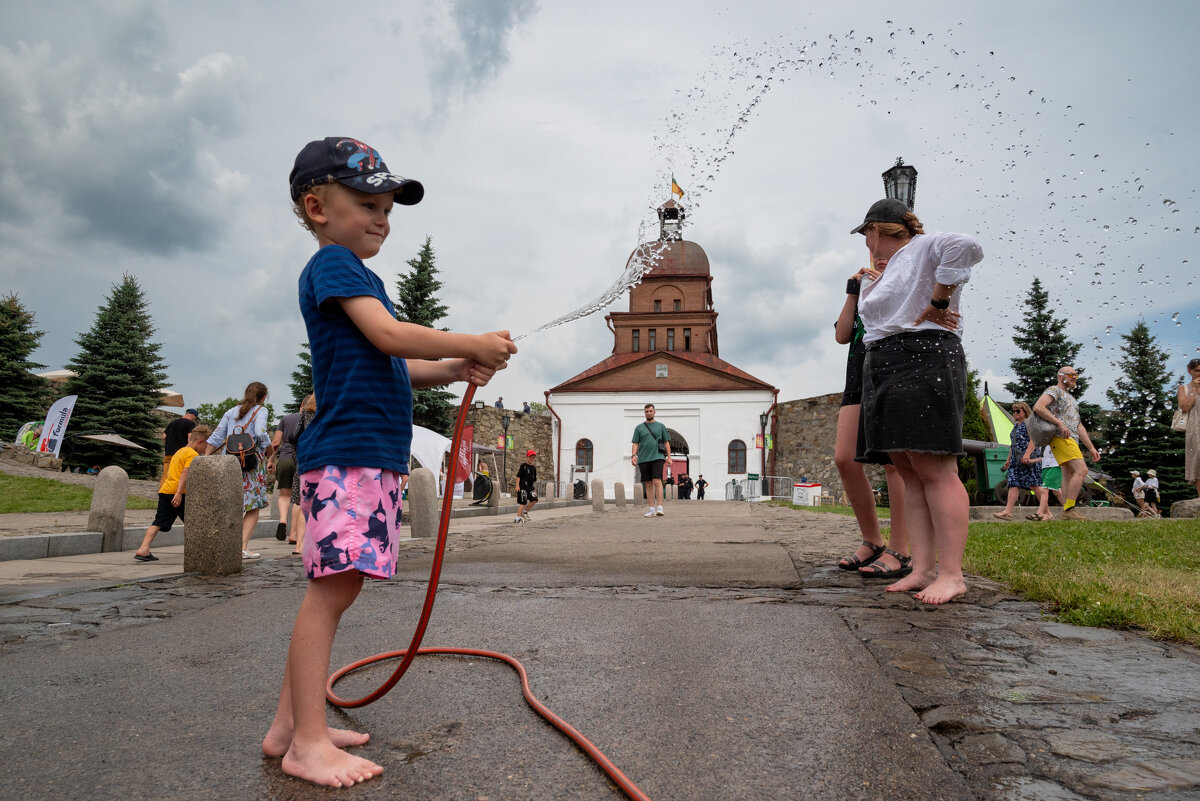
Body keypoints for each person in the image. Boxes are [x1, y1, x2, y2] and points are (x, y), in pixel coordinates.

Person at [261, 136, 514, 789]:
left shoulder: (358, 277)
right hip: (346, 454)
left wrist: (455, 365)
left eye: (389, 206)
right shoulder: (336, 267)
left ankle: (291, 727)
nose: (383, 217)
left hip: (365, 456)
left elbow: (397, 361)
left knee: (337, 588)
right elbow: (391, 336)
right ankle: (308, 744)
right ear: (317, 206)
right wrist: (472, 338)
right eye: (368, 203)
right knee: (332, 588)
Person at [852, 197, 983, 604]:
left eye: (866, 235)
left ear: (874, 230)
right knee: (908, 468)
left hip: (924, 355)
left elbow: (967, 244)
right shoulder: (883, 272)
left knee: (936, 467)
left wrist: (940, 300)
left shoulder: (923, 247)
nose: (866, 243)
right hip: (885, 361)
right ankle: (923, 568)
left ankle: (952, 574)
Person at [833, 251, 912, 581]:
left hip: (893, 372)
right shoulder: (865, 287)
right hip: (858, 375)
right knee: (844, 459)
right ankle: (873, 540)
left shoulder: (908, 279)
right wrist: (854, 291)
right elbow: (841, 334)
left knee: (895, 463)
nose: (879, 259)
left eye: (886, 253)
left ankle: (902, 548)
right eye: (875, 254)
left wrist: (887, 288)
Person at [205, 382, 275, 559]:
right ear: (263, 397)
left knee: (230, 501)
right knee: (253, 505)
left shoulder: (231, 411)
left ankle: (222, 545)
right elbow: (260, 432)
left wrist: (205, 459)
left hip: (229, 460)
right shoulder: (261, 410)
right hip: (251, 463)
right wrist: (269, 450)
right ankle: (242, 547)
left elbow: (217, 435)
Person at [1032, 366, 1101, 521]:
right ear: (1060, 376)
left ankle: (1067, 511)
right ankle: (1069, 510)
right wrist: (1059, 423)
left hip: (1071, 439)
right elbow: (1038, 407)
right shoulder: (1054, 390)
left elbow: (1079, 426)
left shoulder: (1072, 399)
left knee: (1068, 475)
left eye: (1076, 375)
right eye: (1071, 375)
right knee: (1082, 470)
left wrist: (1090, 447)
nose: (1074, 378)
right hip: (1060, 437)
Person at [133, 425, 210, 561]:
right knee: (196, 522)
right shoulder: (193, 454)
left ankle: (143, 549)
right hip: (179, 493)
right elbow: (185, 473)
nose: (205, 450)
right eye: (206, 445)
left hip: (166, 490)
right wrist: (179, 493)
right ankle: (203, 551)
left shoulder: (179, 451)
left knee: (159, 521)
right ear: (200, 441)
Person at [992, 402, 1046, 520]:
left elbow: (1034, 441)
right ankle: (1008, 512)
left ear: (1025, 411)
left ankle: (1046, 513)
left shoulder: (1029, 423)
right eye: (1014, 411)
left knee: (1034, 485)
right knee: (1013, 484)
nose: (1015, 413)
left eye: (1018, 411)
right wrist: (1008, 459)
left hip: (1028, 459)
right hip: (1016, 460)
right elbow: (1013, 444)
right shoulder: (1016, 425)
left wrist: (1027, 454)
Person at [270, 408, 303, 541]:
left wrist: (271, 460)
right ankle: (294, 535)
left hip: (284, 460)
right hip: (300, 459)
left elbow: (276, 442)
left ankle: (283, 521)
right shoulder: (313, 417)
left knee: (284, 494)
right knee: (298, 498)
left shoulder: (286, 418)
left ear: (301, 405)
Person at [632, 403, 670, 517]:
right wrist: (633, 455)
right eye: (646, 411)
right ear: (644, 413)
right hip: (643, 458)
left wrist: (669, 457)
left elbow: (666, 442)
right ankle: (651, 508)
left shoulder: (661, 426)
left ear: (654, 412)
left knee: (657, 481)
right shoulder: (639, 428)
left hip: (657, 457)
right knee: (648, 483)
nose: (648, 413)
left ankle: (660, 507)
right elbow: (635, 443)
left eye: (650, 411)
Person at [1179, 357, 1200, 498]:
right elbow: (1185, 407)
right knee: (1198, 463)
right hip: (1195, 428)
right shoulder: (1184, 388)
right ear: (1189, 371)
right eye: (1197, 371)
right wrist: (1194, 388)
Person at [1028, 445, 1063, 520]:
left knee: (1044, 490)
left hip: (1054, 466)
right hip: (1045, 467)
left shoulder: (1054, 439)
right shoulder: (1042, 443)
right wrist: (1031, 460)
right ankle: (1069, 509)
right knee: (1056, 491)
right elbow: (1042, 457)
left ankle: (1039, 513)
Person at [161, 409, 198, 479]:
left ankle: (163, 489)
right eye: (195, 418)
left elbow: (163, 437)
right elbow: (190, 438)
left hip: (168, 453)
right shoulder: (191, 423)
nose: (194, 420)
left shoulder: (172, 423)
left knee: (166, 475)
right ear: (193, 415)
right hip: (180, 454)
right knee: (177, 476)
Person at [515, 449, 538, 522]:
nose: (532, 459)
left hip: (530, 488)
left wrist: (535, 490)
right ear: (527, 457)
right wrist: (517, 486)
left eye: (533, 457)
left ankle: (524, 512)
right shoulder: (523, 466)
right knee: (523, 502)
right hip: (522, 487)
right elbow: (518, 476)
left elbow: (534, 480)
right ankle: (517, 518)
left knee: (535, 499)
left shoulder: (533, 468)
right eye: (530, 457)